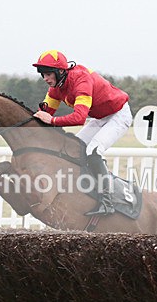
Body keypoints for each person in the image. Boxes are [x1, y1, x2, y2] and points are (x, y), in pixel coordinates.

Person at [32, 50, 133, 215]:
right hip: (100, 117)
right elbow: (44, 113)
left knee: (93, 151)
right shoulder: (55, 88)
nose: (45, 79)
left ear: (60, 71)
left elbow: (79, 118)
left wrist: (53, 121)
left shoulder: (81, 80)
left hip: (118, 115)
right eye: (43, 75)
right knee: (72, 149)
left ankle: (107, 202)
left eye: (48, 74)